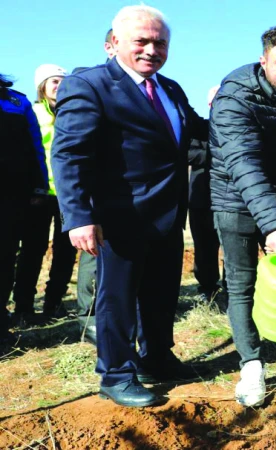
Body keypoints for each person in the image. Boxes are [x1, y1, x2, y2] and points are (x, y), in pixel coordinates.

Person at [51, 5, 208, 407]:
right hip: (118, 217)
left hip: (169, 213)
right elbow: (69, 156)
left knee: (160, 293)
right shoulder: (89, 85)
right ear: (116, 41)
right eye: (142, 41)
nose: (151, 49)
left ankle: (156, 357)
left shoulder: (170, 89)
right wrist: (79, 216)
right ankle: (116, 373)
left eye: (160, 42)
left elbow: (193, 138)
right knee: (117, 299)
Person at [210, 24, 276, 407]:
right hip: (235, 198)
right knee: (242, 283)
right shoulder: (234, 98)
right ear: (263, 59)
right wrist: (274, 224)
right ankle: (252, 365)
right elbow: (244, 164)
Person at [75, 28, 118, 345]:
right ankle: (89, 320)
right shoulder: (87, 82)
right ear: (110, 45)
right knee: (93, 260)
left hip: (133, 199)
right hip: (97, 194)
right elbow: (73, 150)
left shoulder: (154, 88)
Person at [26, 64, 78, 318]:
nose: (58, 85)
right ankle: (24, 307)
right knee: (33, 249)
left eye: (62, 80)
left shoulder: (76, 112)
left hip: (69, 195)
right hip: (39, 194)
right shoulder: (33, 112)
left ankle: (54, 303)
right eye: (53, 81)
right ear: (42, 86)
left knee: (66, 251)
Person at [0, 73, 49, 343]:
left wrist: (39, 185)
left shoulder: (17, 103)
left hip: (13, 195)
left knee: (6, 258)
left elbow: (35, 148)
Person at [188, 85, 225, 303]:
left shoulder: (239, 128)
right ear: (209, 104)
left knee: (233, 250)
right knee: (204, 248)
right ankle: (207, 289)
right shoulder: (198, 129)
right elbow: (188, 153)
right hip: (201, 198)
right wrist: (222, 154)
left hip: (231, 199)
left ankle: (231, 288)